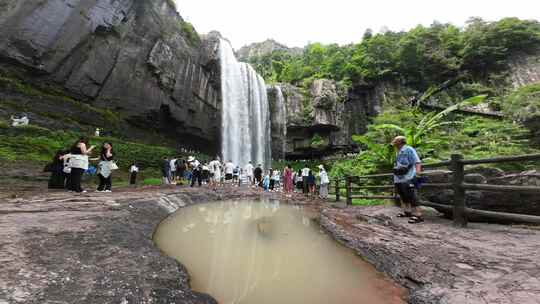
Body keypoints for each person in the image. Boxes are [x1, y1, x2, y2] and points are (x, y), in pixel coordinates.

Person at [391, 136, 423, 224]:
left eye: (395, 141)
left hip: (408, 176)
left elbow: (417, 162)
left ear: (400, 142)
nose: (394, 143)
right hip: (398, 177)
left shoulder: (409, 149)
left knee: (412, 195)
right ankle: (407, 211)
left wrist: (417, 174)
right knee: (403, 195)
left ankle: (418, 215)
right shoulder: (397, 152)